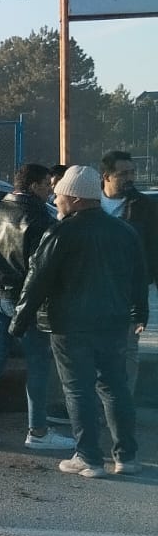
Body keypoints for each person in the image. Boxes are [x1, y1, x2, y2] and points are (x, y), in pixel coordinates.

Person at [11, 164, 148, 478]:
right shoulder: (124, 231)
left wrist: (20, 319)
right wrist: (140, 313)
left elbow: (38, 279)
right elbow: (139, 277)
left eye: (59, 195)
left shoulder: (60, 232)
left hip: (70, 324)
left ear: (74, 198)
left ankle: (89, 457)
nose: (55, 200)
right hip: (114, 322)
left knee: (78, 390)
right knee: (114, 387)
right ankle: (126, 457)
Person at [0, 164, 74, 450]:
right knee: (38, 364)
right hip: (24, 300)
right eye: (46, 185)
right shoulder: (39, 218)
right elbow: (41, 269)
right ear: (33, 186)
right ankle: (38, 432)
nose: (50, 191)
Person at [99, 150, 158, 391]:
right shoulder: (89, 203)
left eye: (132, 172)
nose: (130, 178)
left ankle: (124, 407)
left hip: (130, 291)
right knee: (96, 350)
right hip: (94, 288)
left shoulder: (144, 206)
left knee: (128, 350)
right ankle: (99, 407)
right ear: (107, 176)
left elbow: (154, 248)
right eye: (123, 174)